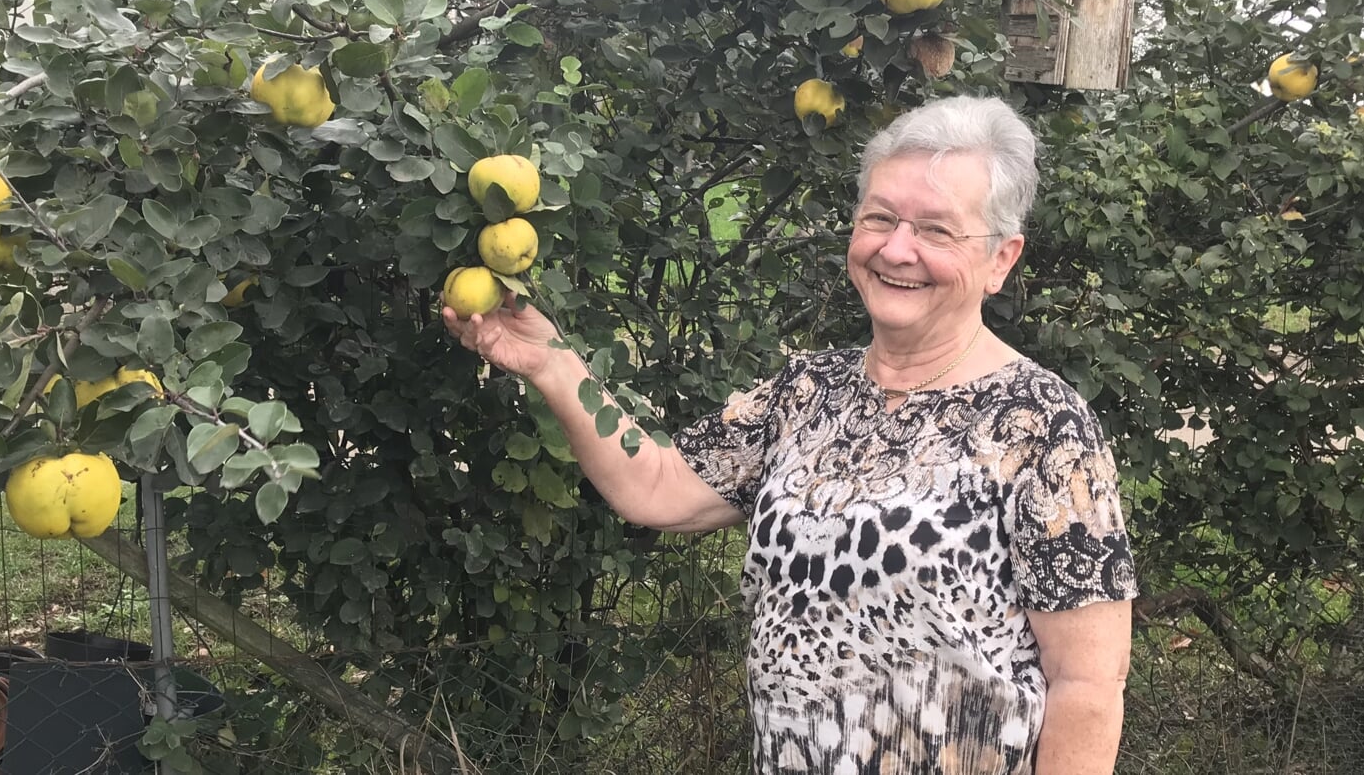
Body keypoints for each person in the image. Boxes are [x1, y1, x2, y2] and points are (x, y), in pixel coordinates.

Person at [444, 95, 1137, 775]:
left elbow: (1087, 685)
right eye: (880, 218)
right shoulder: (806, 392)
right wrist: (551, 363)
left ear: (1000, 260)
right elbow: (654, 485)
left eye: (935, 230)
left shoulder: (1042, 424)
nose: (897, 249)